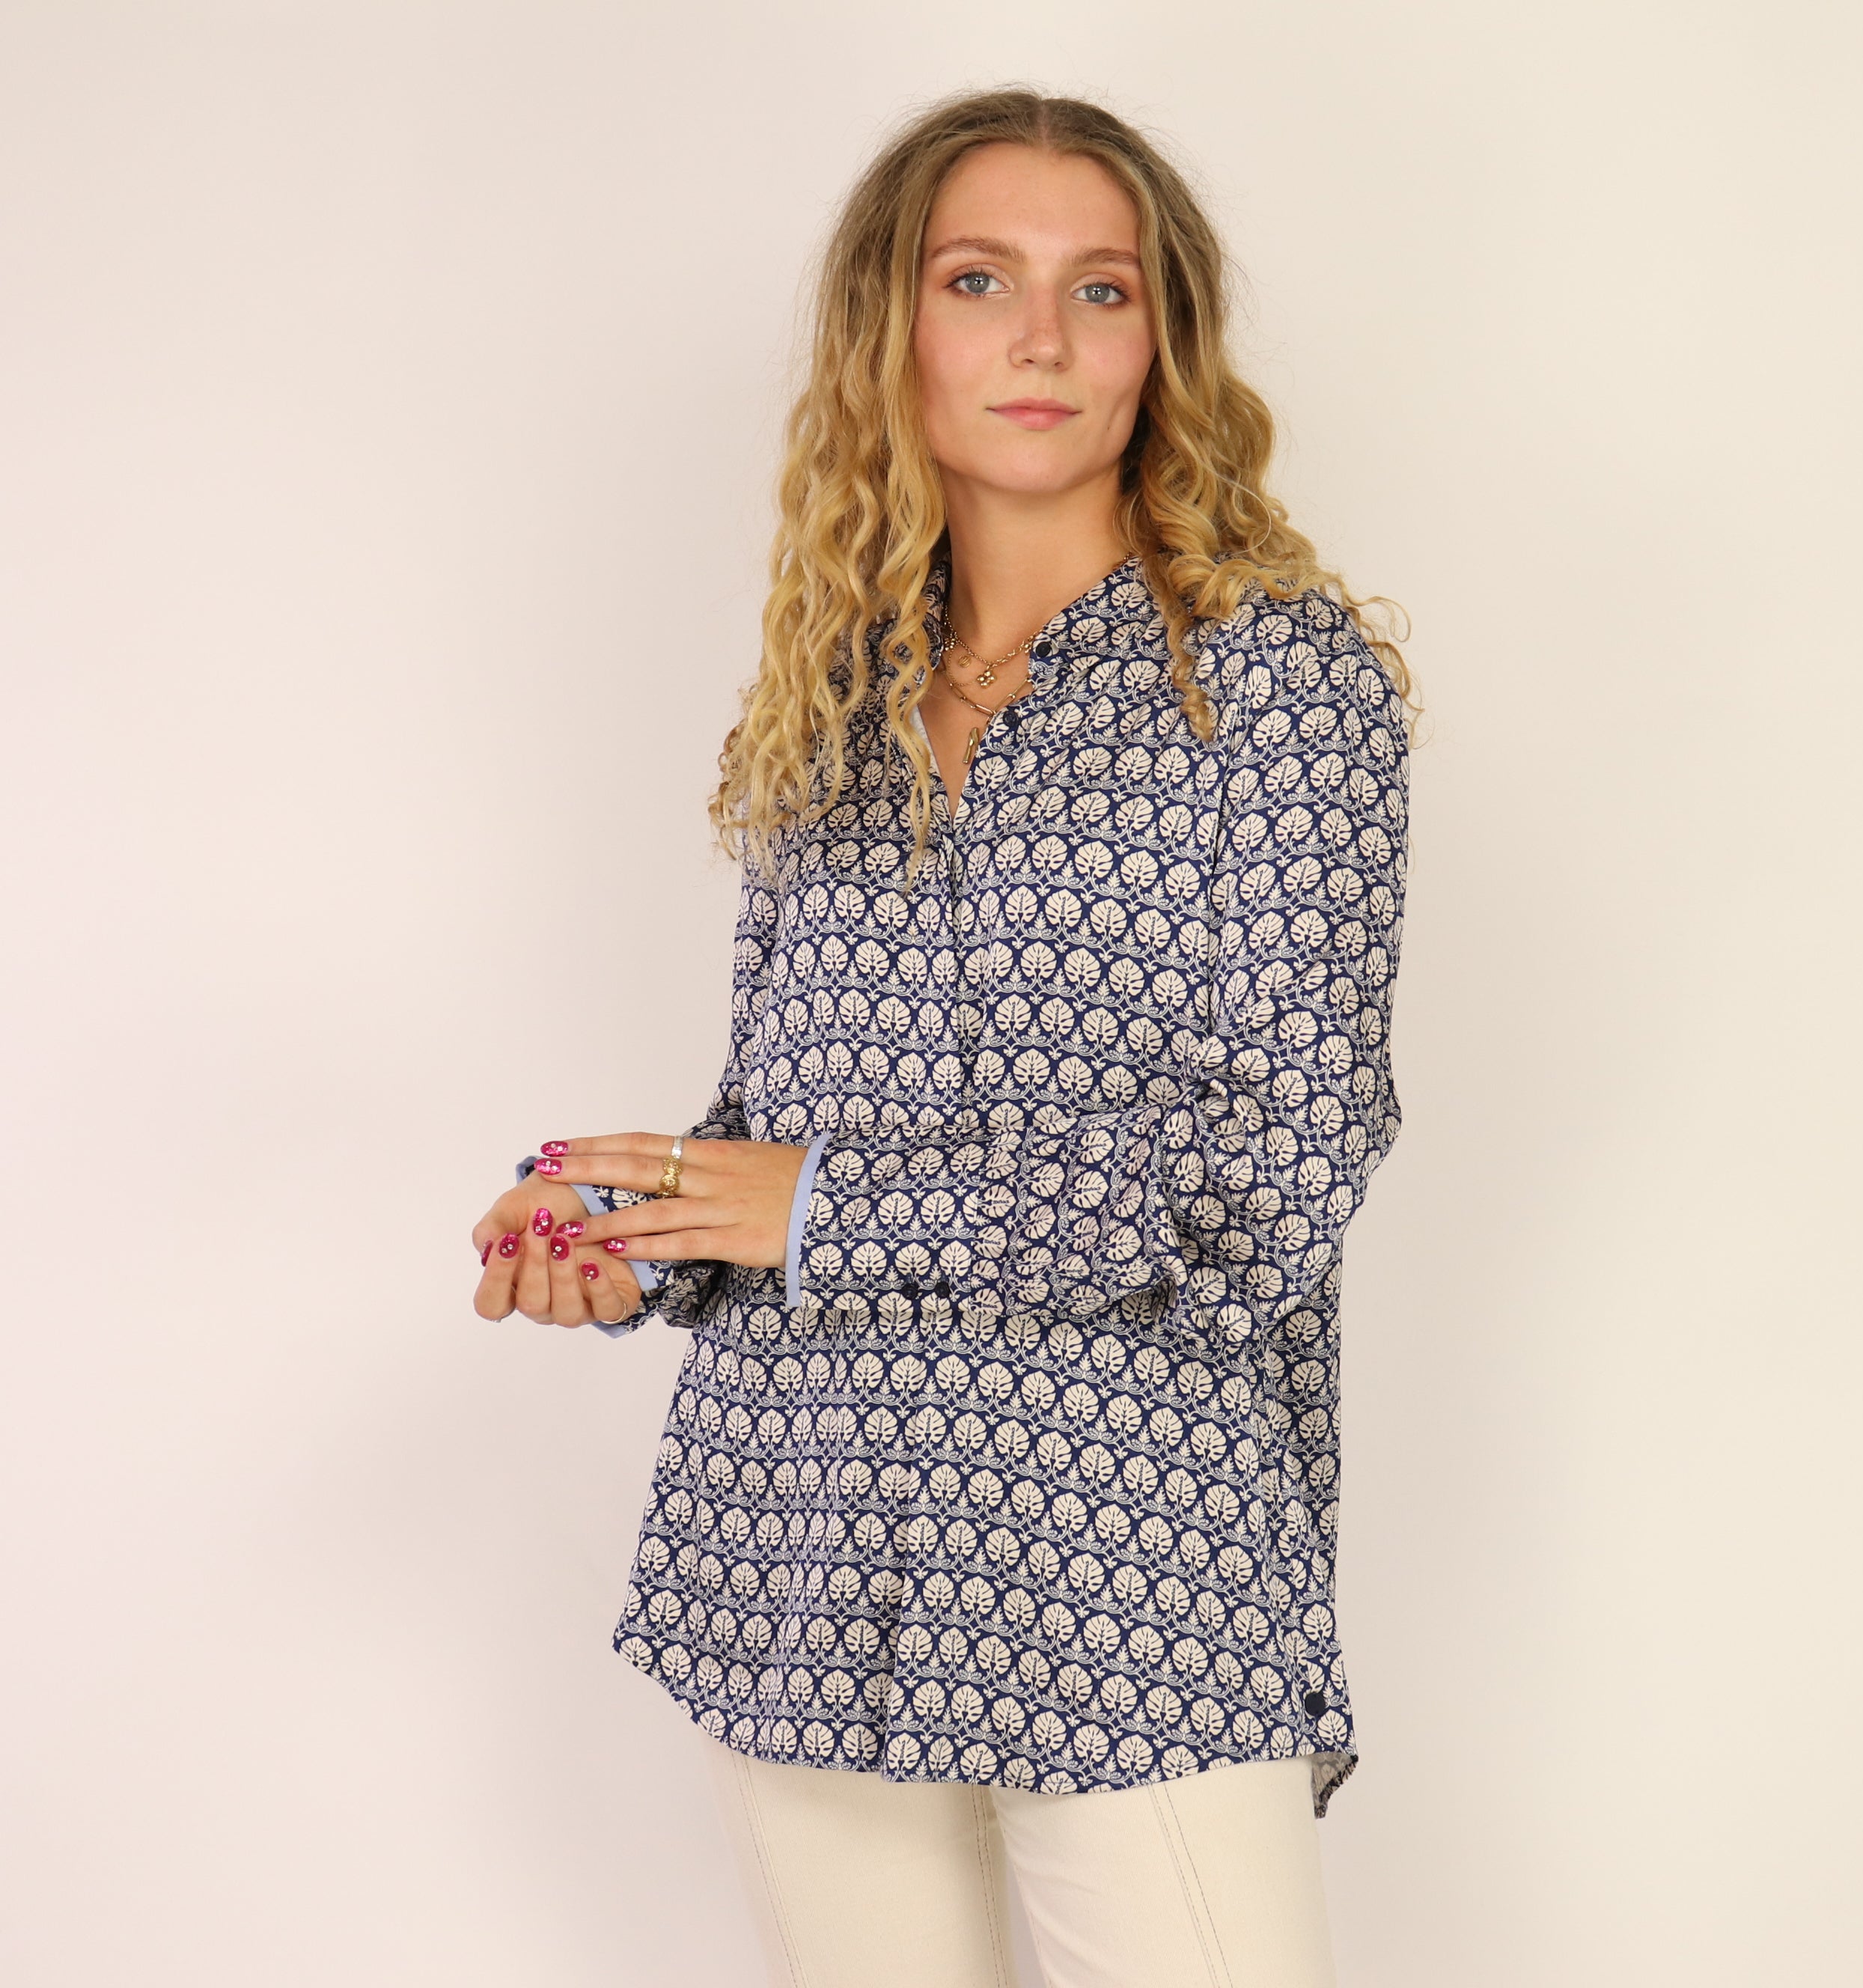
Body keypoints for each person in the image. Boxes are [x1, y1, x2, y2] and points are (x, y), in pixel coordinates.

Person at [469, 86, 1414, 1988]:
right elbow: (774, 1116)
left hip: (1130, 1554)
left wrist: (820, 1205)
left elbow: (1273, 1174)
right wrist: (627, 1230)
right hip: (805, 1535)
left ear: (1162, 342)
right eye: (978, 280)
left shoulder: (1277, 684)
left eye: (1099, 289)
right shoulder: (835, 689)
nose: (1040, 337)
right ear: (887, 327)